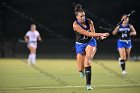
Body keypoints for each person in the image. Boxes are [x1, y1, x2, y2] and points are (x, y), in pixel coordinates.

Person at [73, 4, 109, 90]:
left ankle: (88, 84)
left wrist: (101, 37)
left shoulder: (89, 22)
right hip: (80, 45)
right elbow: (88, 33)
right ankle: (82, 71)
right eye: (81, 16)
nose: (83, 18)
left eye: (84, 15)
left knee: (87, 61)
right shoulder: (75, 25)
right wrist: (102, 33)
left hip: (90, 42)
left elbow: (93, 35)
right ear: (77, 17)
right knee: (80, 69)